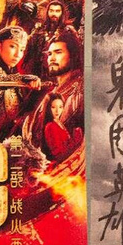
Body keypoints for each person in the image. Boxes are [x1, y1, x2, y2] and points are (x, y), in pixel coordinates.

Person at [22, 27, 83, 158]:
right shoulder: (52, 92)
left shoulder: (80, 89)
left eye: (58, 52)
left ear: (72, 55)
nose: (52, 58)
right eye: (49, 54)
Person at [42, 93, 82, 162]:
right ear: (48, 108)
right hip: (64, 161)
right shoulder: (50, 126)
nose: (57, 111)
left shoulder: (58, 122)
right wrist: (76, 138)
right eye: (53, 107)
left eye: (60, 107)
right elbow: (61, 154)